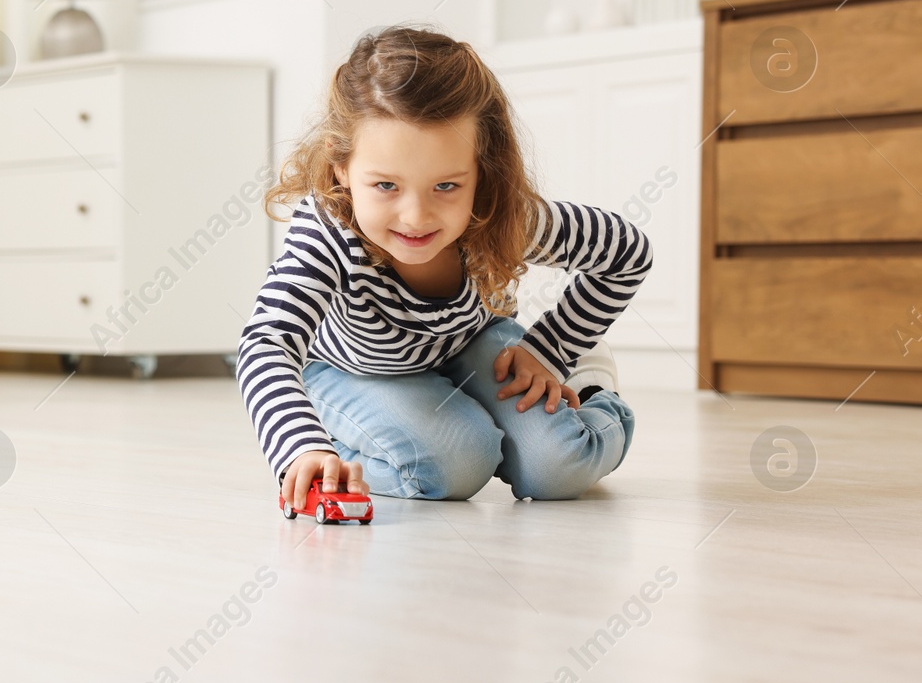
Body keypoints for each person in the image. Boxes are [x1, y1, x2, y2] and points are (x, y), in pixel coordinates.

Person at [237, 26, 651, 509]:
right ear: (340, 168)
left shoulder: (499, 214)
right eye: (386, 186)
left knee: (558, 467)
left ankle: (591, 386)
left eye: (447, 186)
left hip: (469, 344)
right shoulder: (327, 232)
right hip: (353, 369)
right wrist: (302, 447)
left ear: (483, 171)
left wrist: (552, 348)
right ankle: (330, 431)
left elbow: (625, 252)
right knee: (459, 464)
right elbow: (266, 342)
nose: (415, 217)